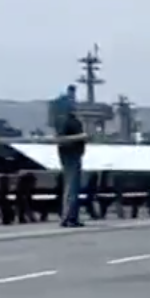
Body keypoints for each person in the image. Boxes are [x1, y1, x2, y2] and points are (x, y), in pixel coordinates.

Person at [52, 90, 89, 227]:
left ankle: (71, 215)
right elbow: (60, 139)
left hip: (75, 154)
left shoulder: (71, 119)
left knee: (73, 187)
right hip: (69, 154)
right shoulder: (64, 120)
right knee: (71, 187)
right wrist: (80, 137)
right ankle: (68, 217)